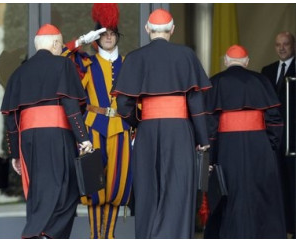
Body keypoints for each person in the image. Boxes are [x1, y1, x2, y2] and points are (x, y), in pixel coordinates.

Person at [111, 9, 211, 239]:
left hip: (147, 129)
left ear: (147, 30)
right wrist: (203, 140)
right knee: (177, 188)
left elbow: (124, 103)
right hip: (179, 131)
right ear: (172, 30)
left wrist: (138, 121)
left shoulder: (135, 57)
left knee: (148, 189)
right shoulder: (186, 55)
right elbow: (195, 101)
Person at [1, 24, 93, 239]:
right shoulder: (63, 65)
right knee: (68, 189)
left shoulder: (19, 72)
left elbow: (12, 120)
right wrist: (83, 138)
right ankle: (43, 233)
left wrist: (15, 153)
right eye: (60, 44)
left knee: (39, 189)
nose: (61, 48)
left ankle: (40, 231)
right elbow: (71, 107)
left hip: (29, 140)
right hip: (57, 135)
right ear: (54, 43)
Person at [61, 4, 133, 239]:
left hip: (122, 128)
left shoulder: (129, 63)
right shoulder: (86, 63)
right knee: (94, 187)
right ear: (97, 38)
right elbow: (60, 59)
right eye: (103, 33)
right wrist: (81, 40)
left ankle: (109, 236)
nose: (109, 37)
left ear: (117, 35)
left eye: (112, 32)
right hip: (93, 127)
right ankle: (95, 236)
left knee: (115, 187)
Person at [204, 45, 286, 238]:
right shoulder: (262, 81)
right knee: (258, 196)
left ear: (225, 61)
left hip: (226, 148)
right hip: (259, 148)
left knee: (230, 196)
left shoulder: (215, 82)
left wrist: (211, 157)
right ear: (247, 62)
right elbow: (275, 120)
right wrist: (269, 147)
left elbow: (210, 125)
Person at [261, 31, 295, 237]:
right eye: (278, 45)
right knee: (277, 184)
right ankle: (282, 227)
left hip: (294, 137)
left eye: (286, 44)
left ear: (293, 45)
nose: (282, 48)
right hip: (274, 138)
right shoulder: (267, 70)